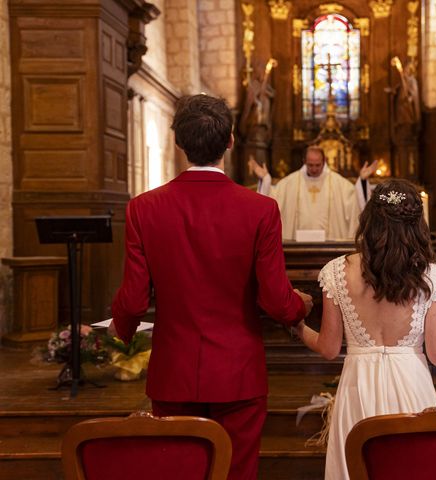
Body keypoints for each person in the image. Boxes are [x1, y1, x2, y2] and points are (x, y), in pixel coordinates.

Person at [109, 94, 313, 480]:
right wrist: (300, 306)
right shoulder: (260, 209)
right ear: (231, 140)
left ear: (179, 142)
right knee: (236, 472)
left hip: (174, 370)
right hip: (238, 372)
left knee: (179, 473)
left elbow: (134, 300)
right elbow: (275, 300)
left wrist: (121, 330)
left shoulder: (143, 208)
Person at [295, 179, 436, 480]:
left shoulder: (335, 271)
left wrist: (297, 325)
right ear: (416, 224)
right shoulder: (432, 277)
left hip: (358, 388)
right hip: (412, 384)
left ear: (368, 219)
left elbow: (328, 349)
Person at [249, 147, 378, 241]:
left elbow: (355, 198)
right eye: (310, 165)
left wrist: (362, 181)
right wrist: (265, 180)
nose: (314, 169)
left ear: (324, 161)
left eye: (318, 165)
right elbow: (273, 199)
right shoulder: (291, 182)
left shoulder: (337, 182)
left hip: (329, 245)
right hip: (298, 245)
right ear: (304, 161)